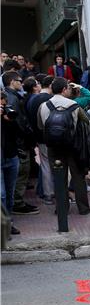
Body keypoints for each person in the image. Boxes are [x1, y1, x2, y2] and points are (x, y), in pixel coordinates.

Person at [37, 77, 90, 215]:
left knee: (59, 178)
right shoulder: (74, 105)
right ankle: (83, 208)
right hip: (72, 146)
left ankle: (62, 208)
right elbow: (86, 121)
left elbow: (40, 125)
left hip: (53, 148)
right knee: (78, 177)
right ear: (64, 89)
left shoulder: (44, 105)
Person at [3, 72, 39, 215]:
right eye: (19, 81)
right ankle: (17, 203)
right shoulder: (12, 98)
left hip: (16, 143)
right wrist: (27, 136)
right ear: (12, 82)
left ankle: (16, 202)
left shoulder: (11, 96)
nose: (21, 83)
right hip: (18, 143)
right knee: (21, 172)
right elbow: (18, 122)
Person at [27, 76, 54, 204]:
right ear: (51, 85)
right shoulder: (50, 100)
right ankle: (54, 193)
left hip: (39, 137)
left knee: (45, 165)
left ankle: (47, 193)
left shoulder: (33, 99)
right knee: (56, 165)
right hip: (50, 137)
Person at [1, 92, 21, 235]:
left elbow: (21, 134)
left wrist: (10, 121)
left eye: (3, 104)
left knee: (9, 194)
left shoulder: (8, 116)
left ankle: (8, 223)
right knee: (1, 194)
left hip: (11, 157)